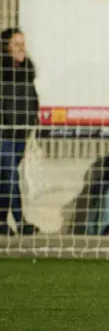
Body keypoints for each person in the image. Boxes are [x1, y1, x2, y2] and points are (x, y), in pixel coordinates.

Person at [0, 28, 40, 235]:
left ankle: (1, 222)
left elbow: (32, 99)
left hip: (20, 133)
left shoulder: (27, 71)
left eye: (22, 44)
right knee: (10, 175)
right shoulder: (3, 73)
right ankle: (19, 220)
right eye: (16, 44)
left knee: (5, 178)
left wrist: (34, 122)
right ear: (6, 48)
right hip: (3, 133)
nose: (21, 48)